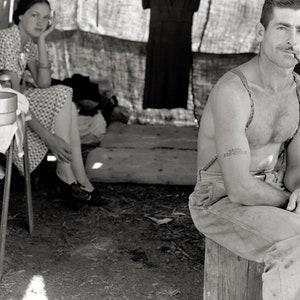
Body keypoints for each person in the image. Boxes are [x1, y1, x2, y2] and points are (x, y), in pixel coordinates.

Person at [189, 0, 300, 299]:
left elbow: (295, 168)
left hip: (274, 189)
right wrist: (291, 200)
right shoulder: (234, 91)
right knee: (297, 242)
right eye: (283, 27)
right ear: (261, 31)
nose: (293, 40)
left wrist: (299, 189)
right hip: (220, 200)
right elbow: (238, 188)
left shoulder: (298, 91)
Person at [0, 0, 107, 207]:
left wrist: (41, 40)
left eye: (46, 17)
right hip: (4, 109)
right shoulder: (7, 39)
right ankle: (70, 174)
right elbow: (14, 98)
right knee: (63, 94)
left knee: (64, 95)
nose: (41, 21)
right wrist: (48, 137)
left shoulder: (27, 44)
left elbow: (43, 83)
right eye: (35, 15)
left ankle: (77, 178)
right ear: (20, 15)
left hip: (13, 103)